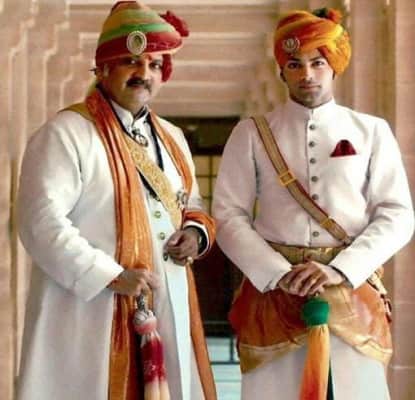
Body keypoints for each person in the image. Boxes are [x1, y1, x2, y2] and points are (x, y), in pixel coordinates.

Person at [17, 2, 217, 399]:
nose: (144, 73)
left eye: (154, 65)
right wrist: (109, 275)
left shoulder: (172, 138)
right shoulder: (67, 133)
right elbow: (40, 221)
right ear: (103, 68)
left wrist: (195, 232)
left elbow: (190, 200)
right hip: (92, 310)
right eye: (131, 62)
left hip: (168, 302)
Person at [213, 7, 414, 400]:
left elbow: (397, 215)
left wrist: (342, 269)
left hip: (351, 291)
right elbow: (228, 214)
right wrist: (276, 272)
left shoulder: (371, 131)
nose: (307, 74)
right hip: (275, 296)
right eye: (295, 64)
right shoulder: (251, 134)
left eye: (317, 63)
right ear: (281, 71)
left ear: (333, 66)